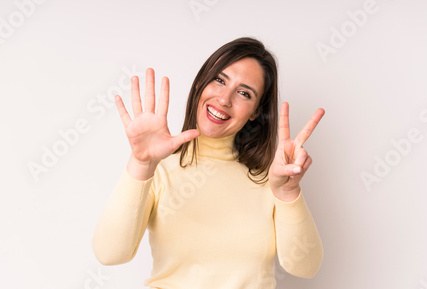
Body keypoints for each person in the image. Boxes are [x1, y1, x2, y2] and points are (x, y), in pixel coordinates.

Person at [92, 37, 324, 288]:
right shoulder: (159, 171)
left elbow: (305, 267)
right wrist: (141, 163)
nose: (224, 99)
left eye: (244, 93)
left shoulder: (272, 181)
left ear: (256, 111)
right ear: (201, 83)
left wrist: (288, 192)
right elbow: (109, 253)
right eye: (219, 80)